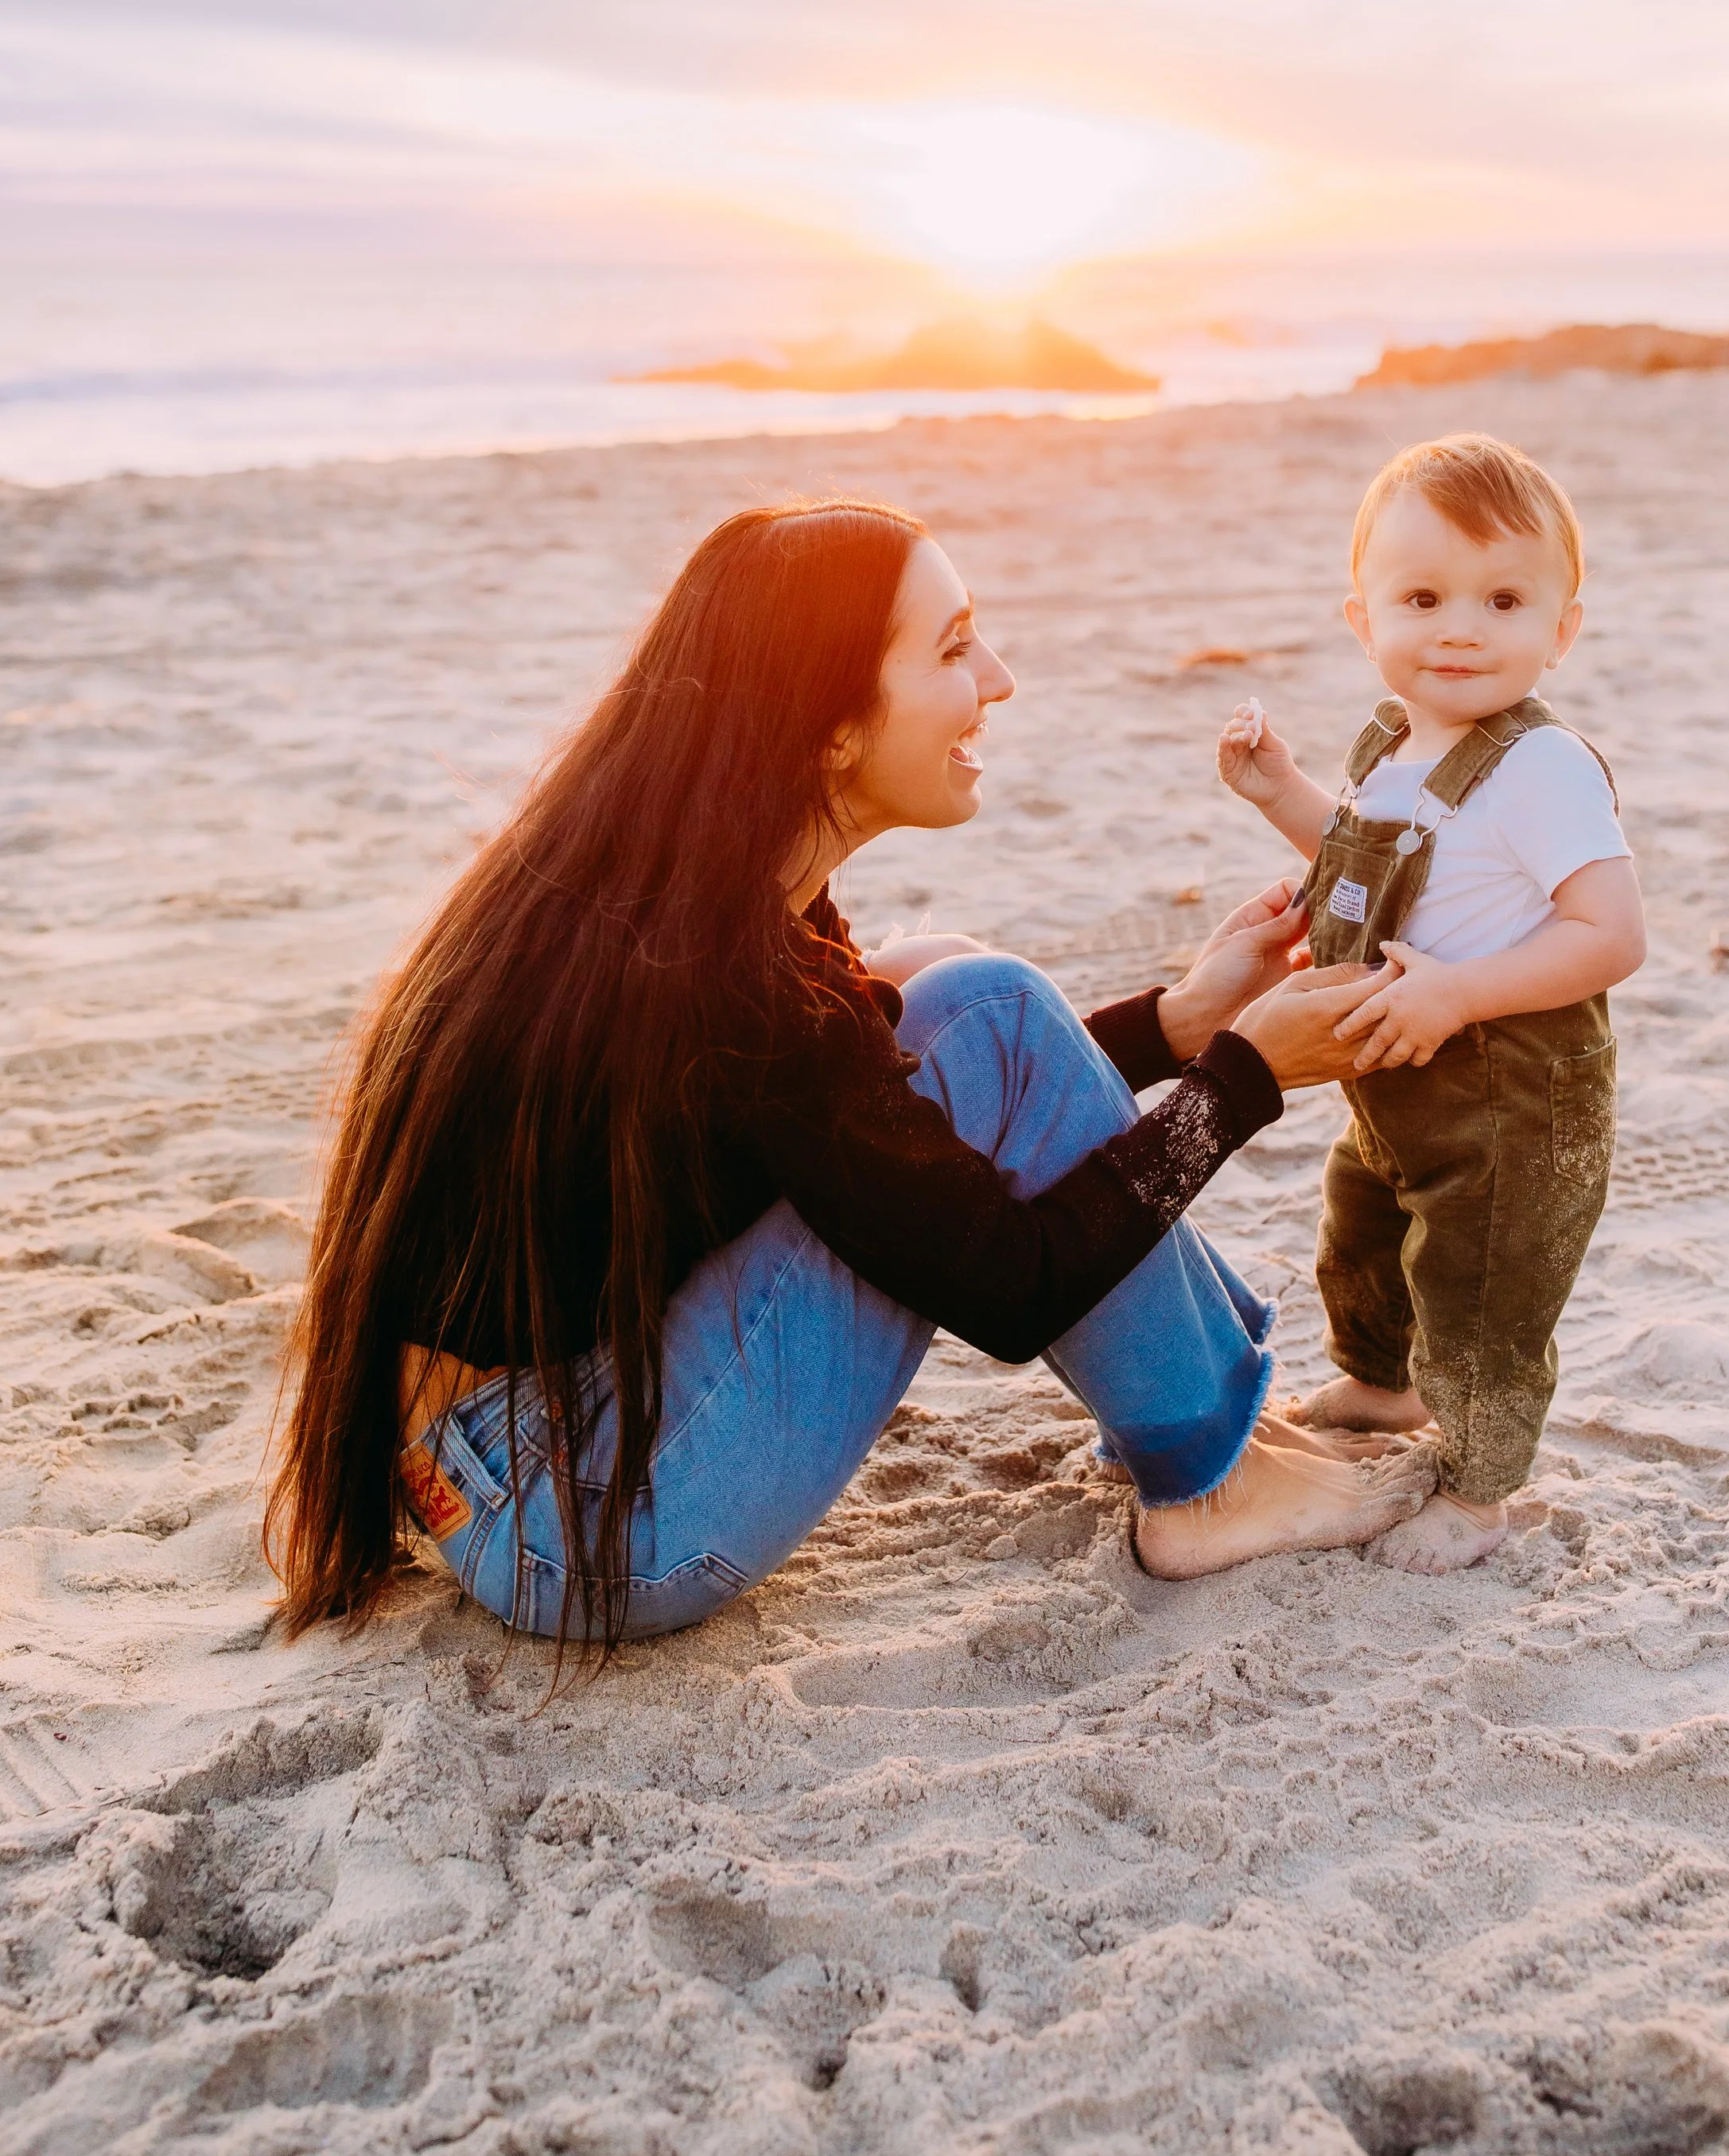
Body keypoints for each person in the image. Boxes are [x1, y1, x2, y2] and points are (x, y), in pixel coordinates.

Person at [268, 499, 1432, 1653]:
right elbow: (1006, 1282)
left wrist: (1175, 1026)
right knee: (987, 1014)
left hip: (495, 1470)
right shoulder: (734, 977)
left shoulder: (689, 892)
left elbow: (866, 1135)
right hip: (590, 1524)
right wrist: (1242, 1079)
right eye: (953, 644)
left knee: (946, 987)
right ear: (830, 728)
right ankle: (1210, 1476)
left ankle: (1210, 1440)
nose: (1001, 676)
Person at [1218, 433, 1646, 1575]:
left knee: (1483, 1286)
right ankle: (1379, 1381)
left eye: (1503, 598)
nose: (1461, 626)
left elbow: (1612, 935)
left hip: (1511, 1096)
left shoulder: (1543, 768)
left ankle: (1480, 1485)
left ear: (1562, 630)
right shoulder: (1390, 742)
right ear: (1363, 619)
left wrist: (1459, 992)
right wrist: (1283, 797)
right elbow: (1375, 864)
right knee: (1361, 1231)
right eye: (1423, 595)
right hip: (1396, 1082)